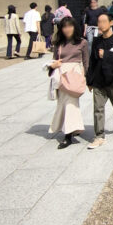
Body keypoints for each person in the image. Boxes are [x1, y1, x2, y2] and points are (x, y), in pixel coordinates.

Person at [86, 12, 113, 149]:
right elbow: (92, 61)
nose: (101, 24)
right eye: (99, 22)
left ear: (111, 23)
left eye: (104, 22)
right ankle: (99, 136)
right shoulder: (97, 41)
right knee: (98, 108)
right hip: (99, 81)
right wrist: (89, 80)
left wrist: (106, 55)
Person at [48, 16, 90, 149]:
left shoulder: (82, 42)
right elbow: (54, 60)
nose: (67, 29)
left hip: (74, 74)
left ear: (74, 27)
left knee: (71, 103)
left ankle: (68, 136)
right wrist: (52, 66)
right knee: (63, 103)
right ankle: (72, 128)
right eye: (64, 27)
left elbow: (86, 61)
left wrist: (88, 79)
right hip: (61, 75)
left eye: (70, 26)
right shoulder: (58, 43)